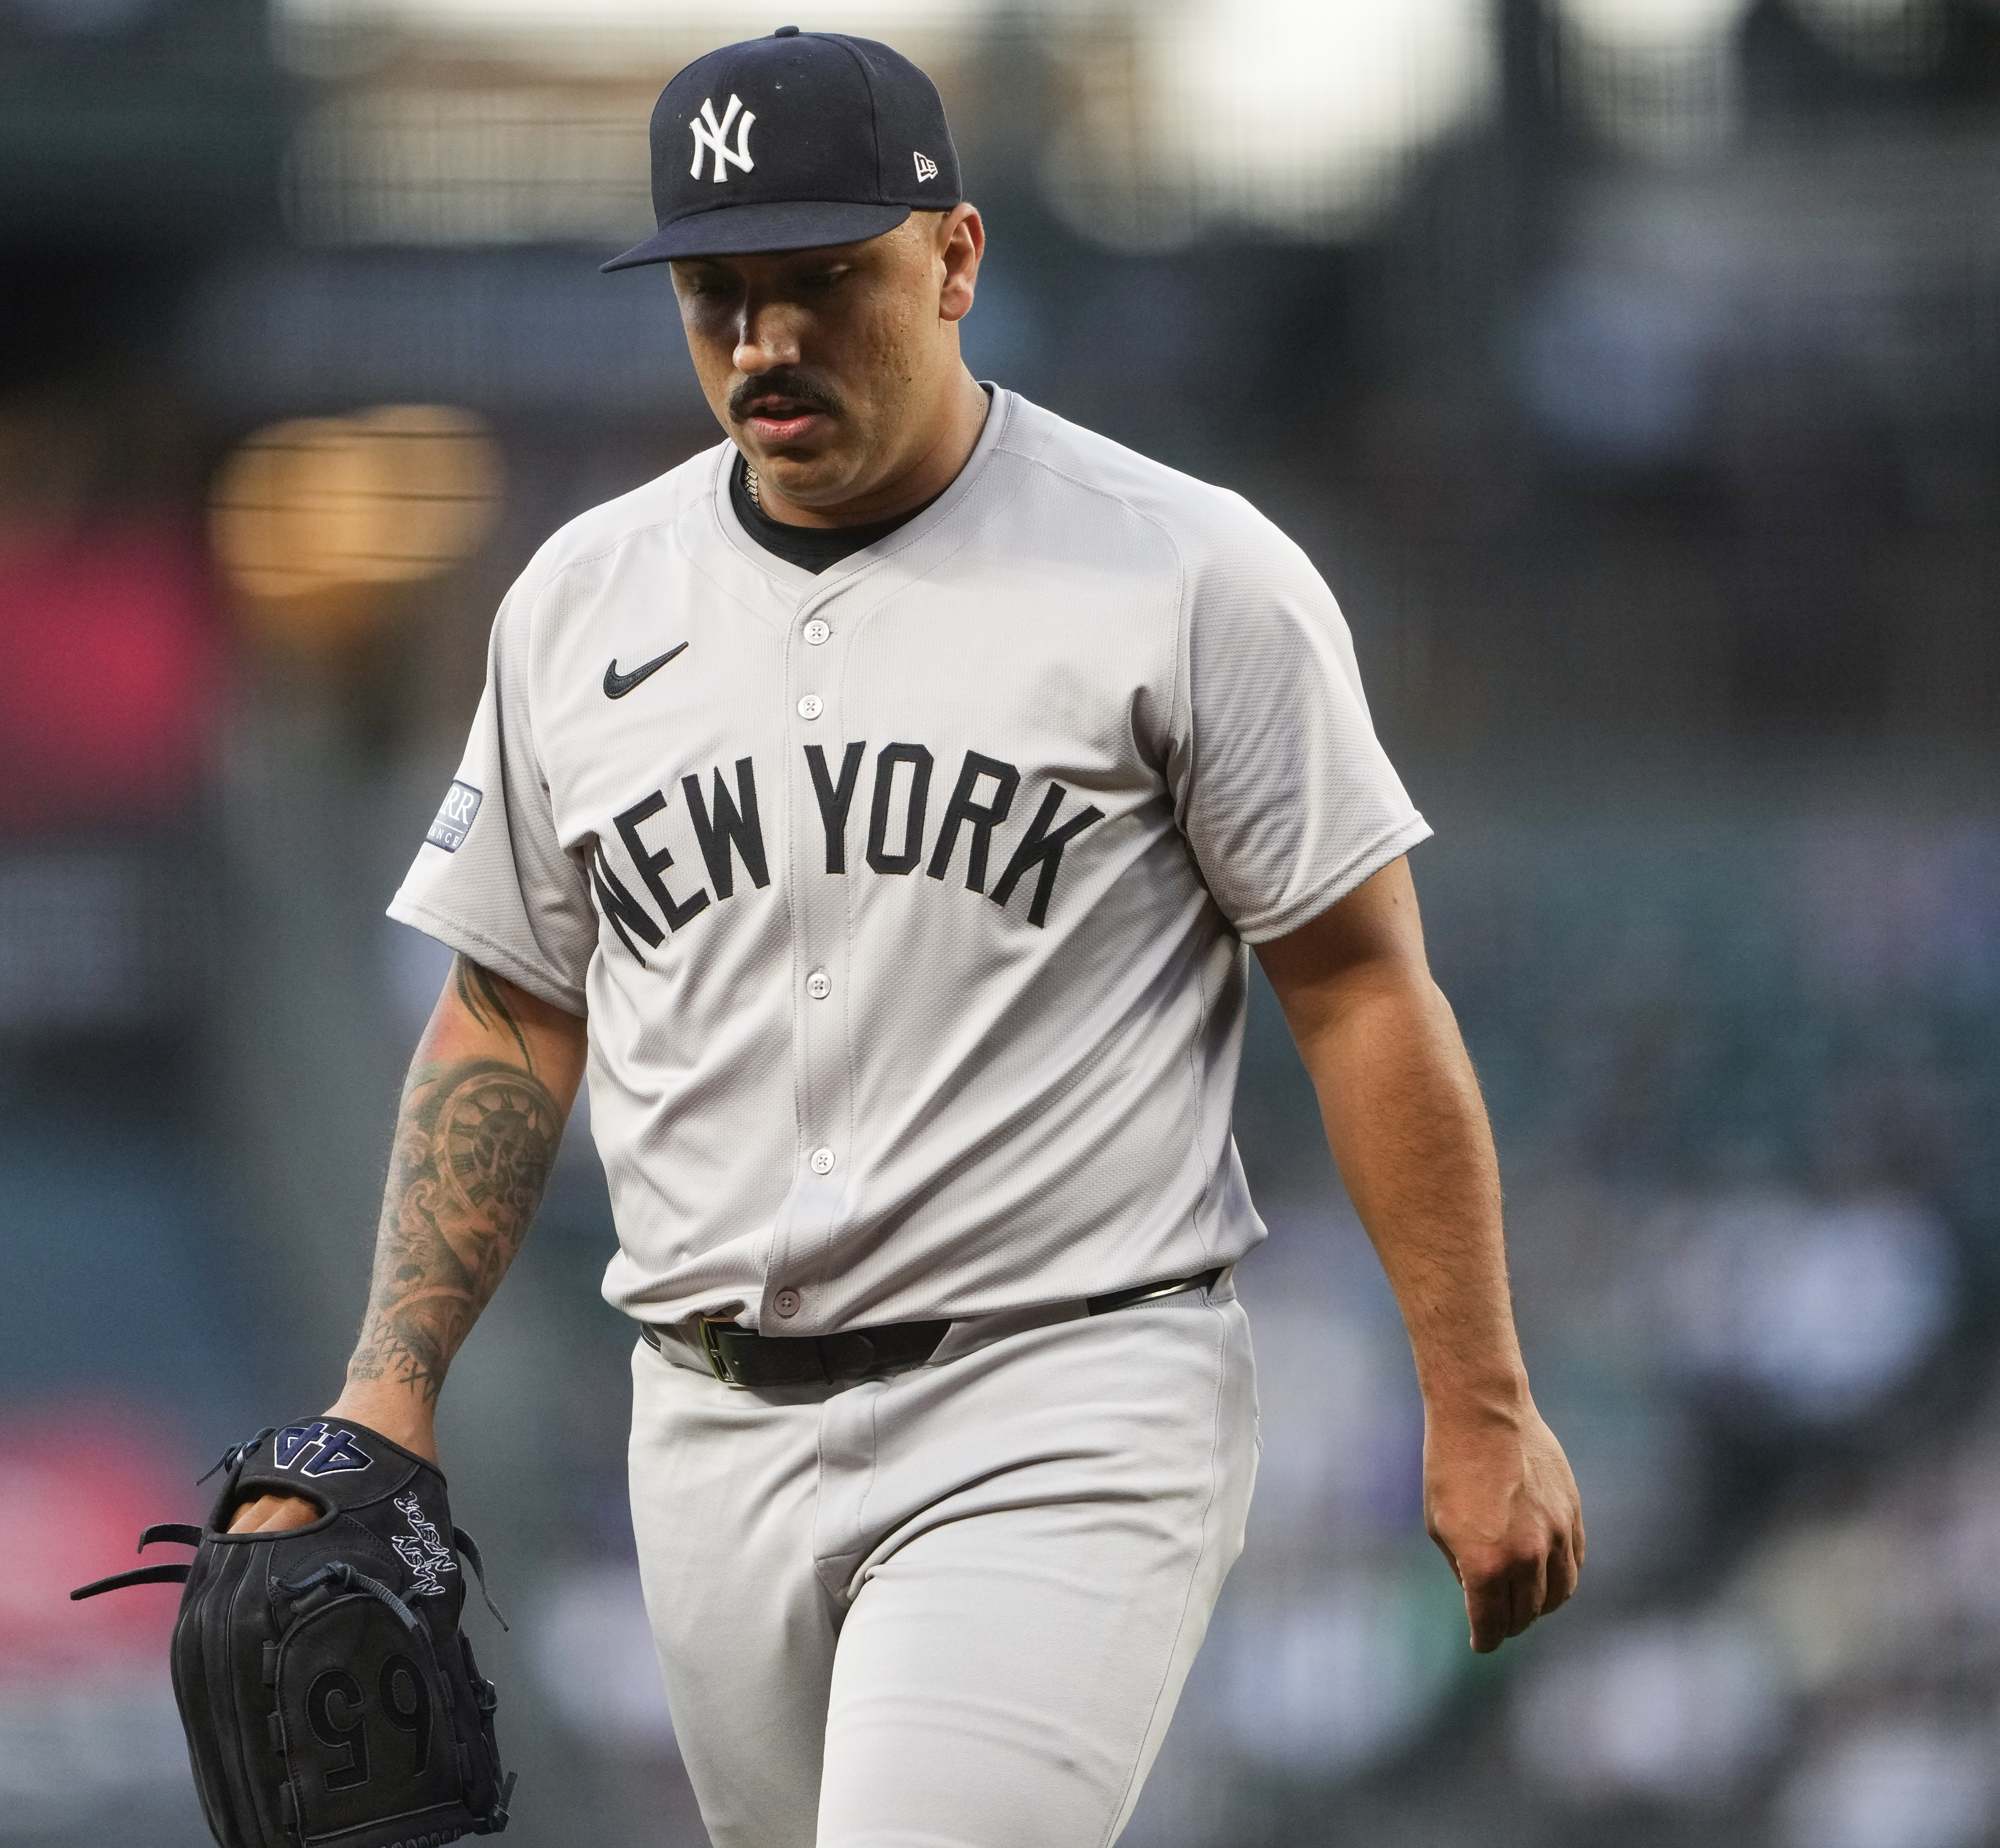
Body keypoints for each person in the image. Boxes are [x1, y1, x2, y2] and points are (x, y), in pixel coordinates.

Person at [230, 26, 1583, 1847]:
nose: (764, 341)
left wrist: (1478, 1399)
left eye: (820, 283)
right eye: (718, 291)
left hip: (1063, 1393)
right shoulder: (577, 603)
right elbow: (508, 1007)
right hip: (702, 1430)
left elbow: (1355, 989)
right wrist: (386, 1387)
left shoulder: (1185, 571)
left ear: (954, 261)